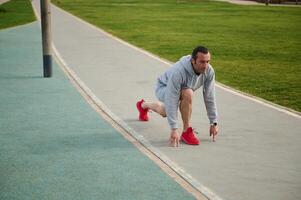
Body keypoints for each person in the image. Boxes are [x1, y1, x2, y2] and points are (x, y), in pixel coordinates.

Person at [136, 45, 218, 147]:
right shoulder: (178, 72)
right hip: (164, 87)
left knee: (165, 111)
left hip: (182, 90)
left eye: (208, 61)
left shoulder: (209, 71)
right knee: (187, 94)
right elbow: (172, 99)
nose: (206, 65)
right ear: (193, 61)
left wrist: (213, 122)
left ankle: (143, 105)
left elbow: (209, 96)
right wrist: (174, 129)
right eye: (202, 62)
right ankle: (186, 131)